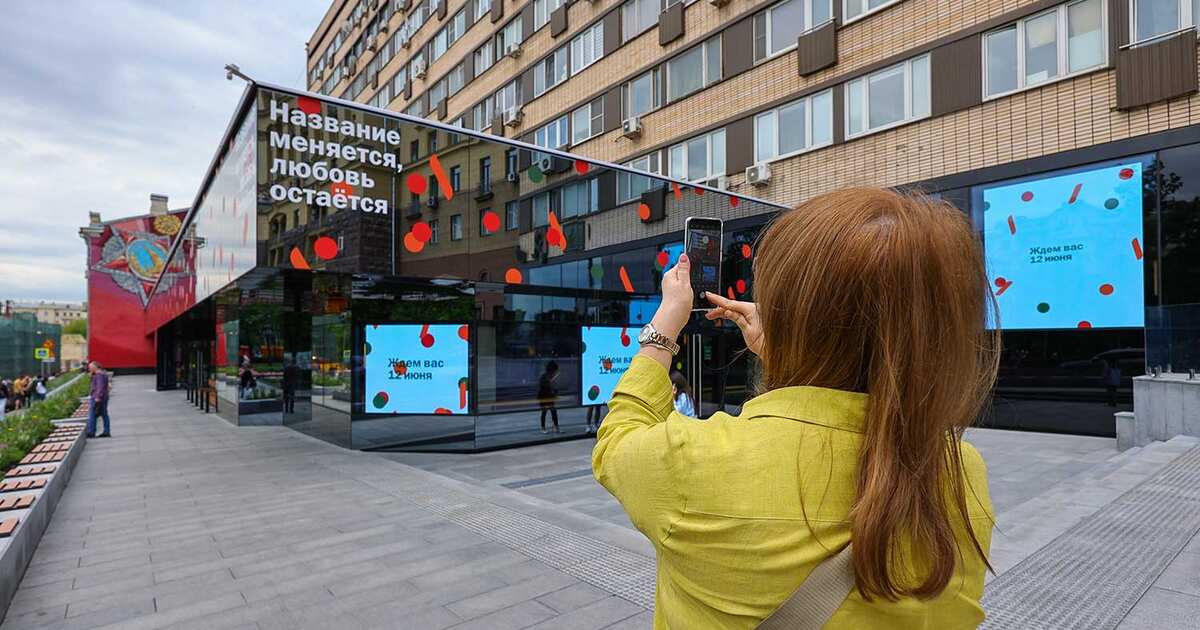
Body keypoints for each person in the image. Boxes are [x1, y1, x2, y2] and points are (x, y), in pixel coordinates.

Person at [593, 189, 998, 629]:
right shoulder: (961, 473)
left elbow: (618, 438)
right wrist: (789, 354)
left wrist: (667, 321)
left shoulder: (697, 461)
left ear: (794, 320)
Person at [86, 361, 112, 438]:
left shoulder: (99, 375)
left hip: (97, 398)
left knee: (92, 414)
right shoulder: (103, 374)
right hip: (104, 397)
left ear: (95, 367)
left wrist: (98, 397)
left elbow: (100, 387)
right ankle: (106, 431)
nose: (89, 368)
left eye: (90, 367)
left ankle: (91, 432)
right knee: (104, 414)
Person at [538, 360, 560, 434]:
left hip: (549, 395)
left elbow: (553, 386)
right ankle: (543, 427)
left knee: (553, 411)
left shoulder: (550, 375)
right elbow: (542, 386)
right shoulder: (544, 376)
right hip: (543, 396)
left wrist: (554, 390)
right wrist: (550, 384)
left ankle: (556, 426)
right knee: (544, 411)